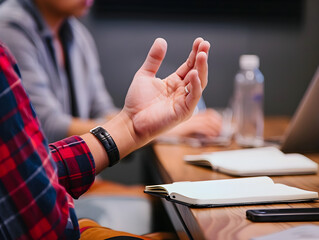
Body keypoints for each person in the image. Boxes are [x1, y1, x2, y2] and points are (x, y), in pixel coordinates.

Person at [0, 35, 210, 240]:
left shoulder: (77, 35)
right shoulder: (10, 36)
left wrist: (130, 125)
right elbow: (43, 223)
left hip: (61, 209)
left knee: (175, 209)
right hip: (62, 220)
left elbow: (30, 167)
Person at [0, 0, 222, 143]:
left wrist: (161, 119)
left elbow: (103, 112)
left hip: (74, 184)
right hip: (43, 190)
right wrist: (162, 131)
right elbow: (47, 129)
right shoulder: (9, 28)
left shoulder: (77, 36)